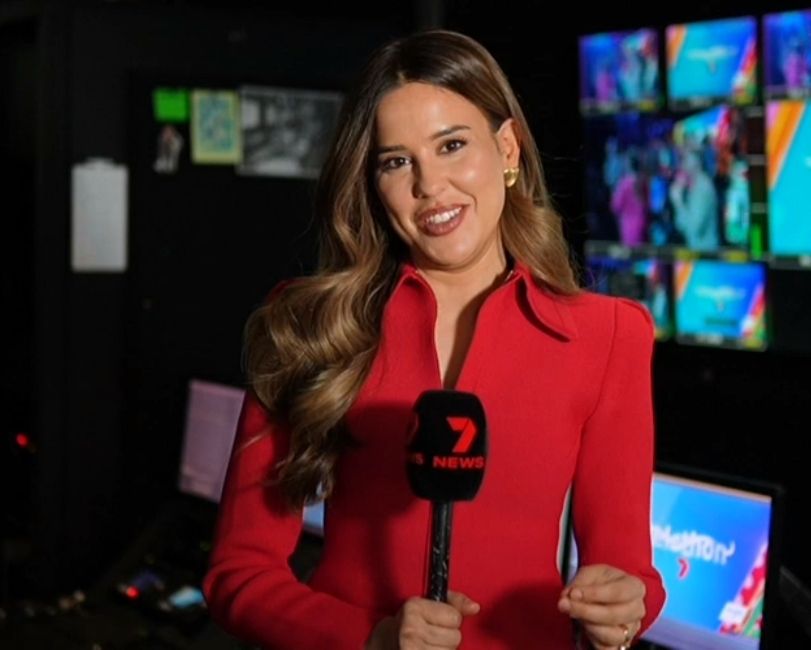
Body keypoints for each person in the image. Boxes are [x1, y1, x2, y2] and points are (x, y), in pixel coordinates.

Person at [203, 29, 665, 650]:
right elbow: (238, 575)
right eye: (397, 162)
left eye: (452, 145)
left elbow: (630, 575)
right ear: (373, 182)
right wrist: (371, 639)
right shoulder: (308, 324)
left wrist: (624, 610)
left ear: (507, 148)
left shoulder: (609, 335)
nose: (430, 185)